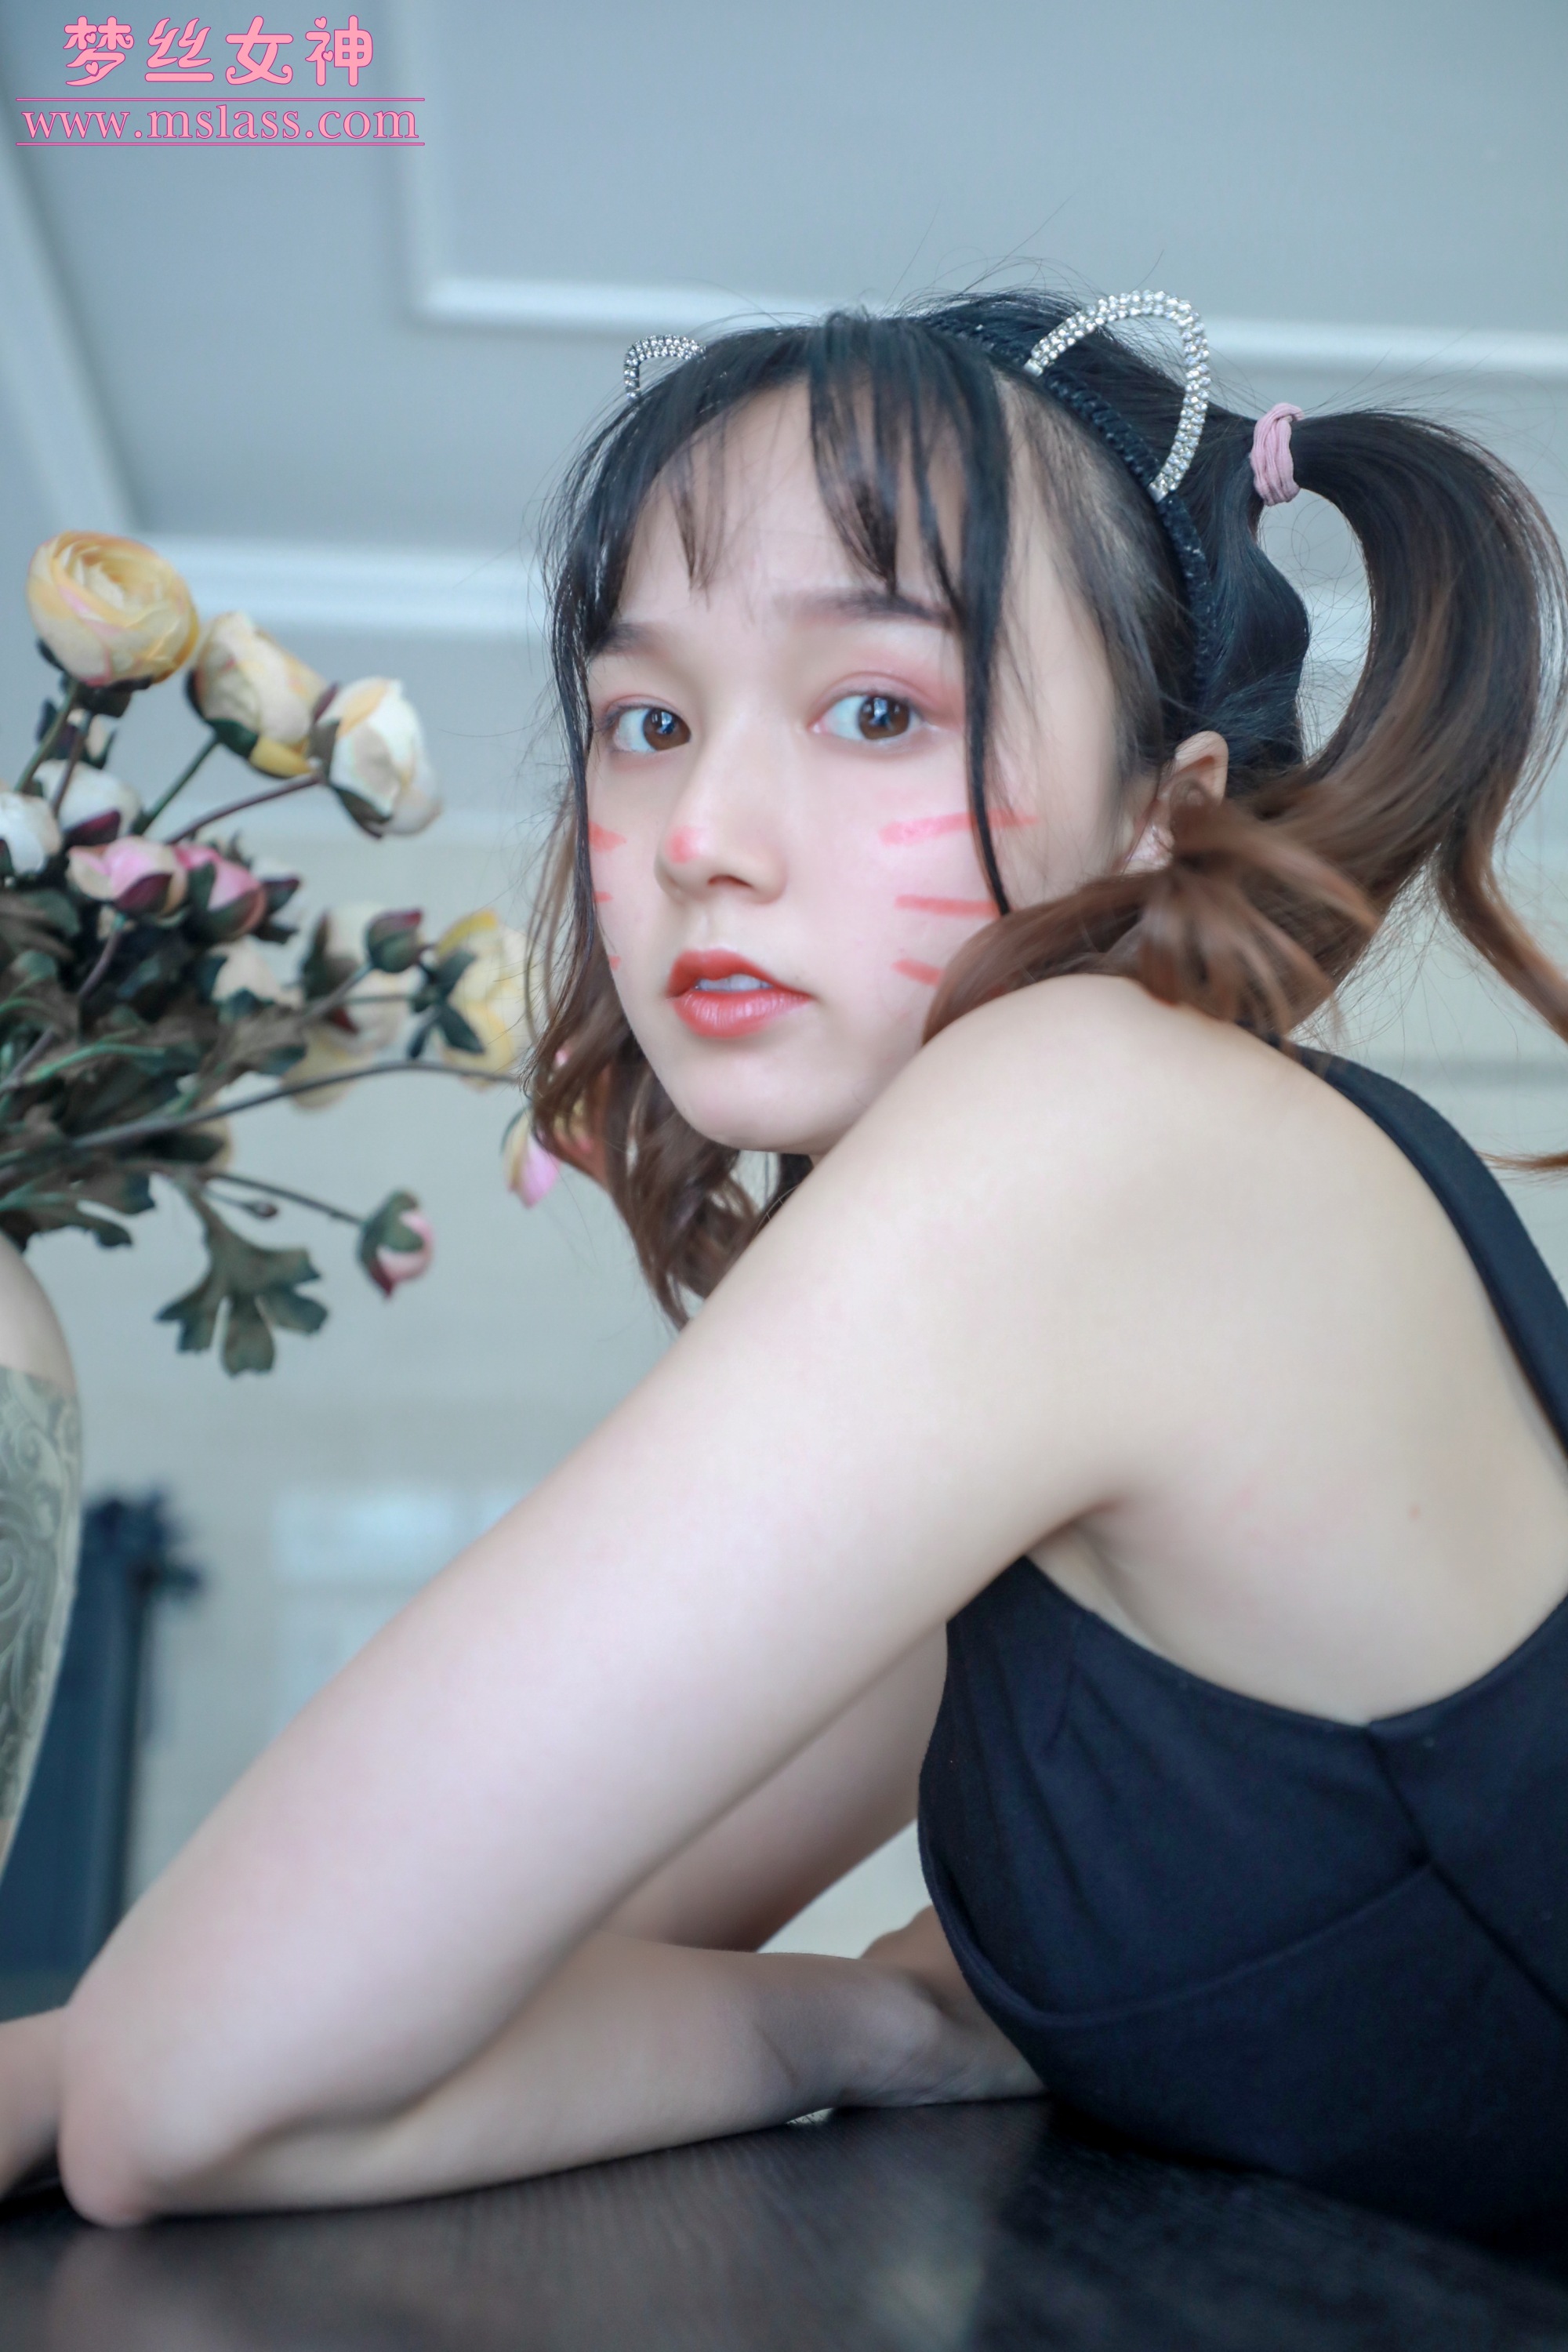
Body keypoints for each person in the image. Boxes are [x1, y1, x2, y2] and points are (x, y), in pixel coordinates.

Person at [6, 285, 1568, 2238]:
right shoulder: (1085, 1295)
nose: (699, 837)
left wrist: (872, 2026)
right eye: (647, 723)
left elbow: (193, 2089)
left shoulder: (1097, 1128)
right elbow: (432, 1979)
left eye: (876, 710)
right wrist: (876, 2018)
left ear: (1161, 818)